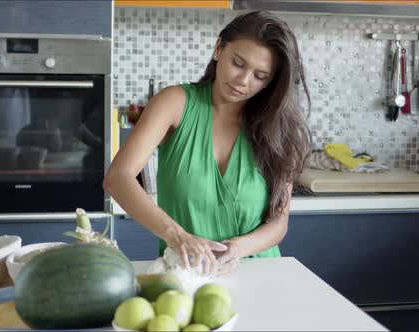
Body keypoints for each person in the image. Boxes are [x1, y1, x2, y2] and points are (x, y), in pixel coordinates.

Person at [103, 11, 311, 276]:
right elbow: (118, 177)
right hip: (187, 275)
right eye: (238, 63)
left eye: (260, 76)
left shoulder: (278, 130)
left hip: (261, 273)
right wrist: (177, 236)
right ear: (218, 49)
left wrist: (237, 247)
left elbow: (279, 224)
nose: (243, 81)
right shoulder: (175, 103)